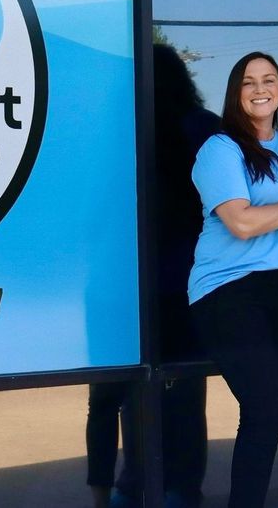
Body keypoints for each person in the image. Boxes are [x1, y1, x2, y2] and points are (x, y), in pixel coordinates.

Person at [188, 52, 278, 507]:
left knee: (264, 417)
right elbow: (242, 223)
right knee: (268, 412)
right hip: (228, 290)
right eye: (248, 82)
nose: (259, 89)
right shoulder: (221, 149)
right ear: (235, 92)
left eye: (268, 80)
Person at [86, 44, 220, 508]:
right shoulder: (204, 130)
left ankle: (123, 488)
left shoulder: (117, 131)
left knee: (118, 397)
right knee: (183, 394)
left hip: (117, 286)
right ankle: (180, 489)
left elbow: (94, 214)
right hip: (186, 284)